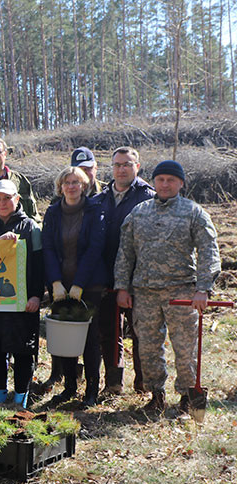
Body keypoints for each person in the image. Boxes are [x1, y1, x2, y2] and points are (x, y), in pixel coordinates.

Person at [115, 160, 221, 413]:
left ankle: (187, 397)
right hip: (145, 293)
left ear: (180, 183)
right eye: (160, 179)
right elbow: (125, 253)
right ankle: (156, 395)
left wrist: (203, 289)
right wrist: (122, 287)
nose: (164, 184)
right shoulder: (139, 213)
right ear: (154, 182)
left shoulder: (193, 212)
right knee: (148, 348)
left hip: (181, 292)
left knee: (185, 348)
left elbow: (209, 251)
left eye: (170, 180)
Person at [0, 179, 44, 407]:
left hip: (23, 302)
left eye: (7, 198)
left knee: (23, 349)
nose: (2, 203)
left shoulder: (31, 227)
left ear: (17, 199)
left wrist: (36, 295)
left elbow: (39, 265)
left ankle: (21, 395)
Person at [42, 167, 107, 408]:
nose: (71, 186)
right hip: (60, 285)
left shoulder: (95, 210)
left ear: (84, 185)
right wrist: (56, 282)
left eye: (76, 182)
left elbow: (95, 248)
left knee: (89, 338)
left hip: (89, 285)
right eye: (67, 182)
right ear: (60, 187)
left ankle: (91, 391)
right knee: (65, 336)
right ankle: (69, 387)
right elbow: (48, 248)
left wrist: (79, 284)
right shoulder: (52, 212)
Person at [98, 147, 154, 395]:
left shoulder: (148, 197)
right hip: (107, 275)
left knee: (141, 331)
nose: (121, 169)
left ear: (137, 167)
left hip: (140, 277)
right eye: (117, 165)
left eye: (127, 164)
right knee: (110, 331)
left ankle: (143, 383)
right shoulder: (100, 198)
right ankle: (113, 383)